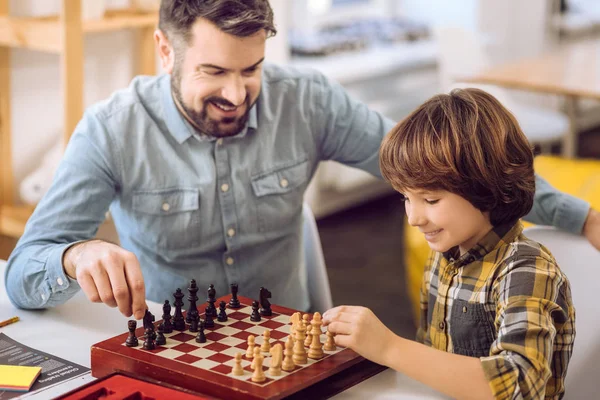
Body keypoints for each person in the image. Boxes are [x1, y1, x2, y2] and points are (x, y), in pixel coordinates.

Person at [4, 1, 596, 321]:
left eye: (251, 69)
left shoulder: (309, 101)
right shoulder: (112, 129)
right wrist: (74, 254)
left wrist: (584, 216)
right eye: (214, 72)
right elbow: (22, 273)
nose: (237, 94)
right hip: (176, 350)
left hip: (294, 348)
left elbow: (457, 167)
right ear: (165, 50)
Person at [323, 88, 575, 399]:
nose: (414, 218)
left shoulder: (527, 271)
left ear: (485, 186)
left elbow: (518, 386)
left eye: (430, 199)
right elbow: (434, 366)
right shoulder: (443, 256)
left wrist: (390, 347)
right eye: (406, 198)